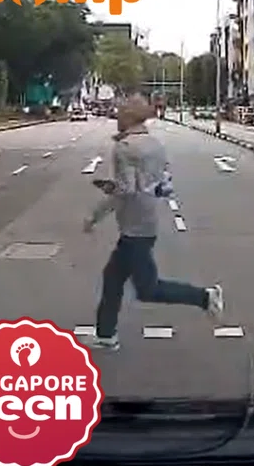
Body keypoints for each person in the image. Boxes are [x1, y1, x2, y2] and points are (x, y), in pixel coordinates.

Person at [82, 95, 225, 351]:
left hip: (134, 228)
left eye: (120, 112)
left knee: (148, 289)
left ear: (128, 117)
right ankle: (105, 334)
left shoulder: (124, 148)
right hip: (147, 221)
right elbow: (164, 186)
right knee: (112, 277)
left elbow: (125, 190)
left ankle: (205, 297)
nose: (117, 116)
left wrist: (96, 212)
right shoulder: (156, 145)